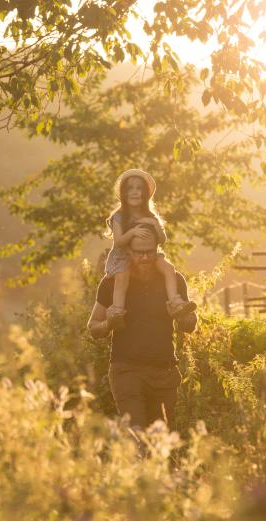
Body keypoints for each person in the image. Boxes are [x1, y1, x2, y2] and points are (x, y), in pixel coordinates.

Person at [87, 228, 198, 431]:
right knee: (137, 436)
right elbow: (94, 328)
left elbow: (189, 325)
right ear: (127, 251)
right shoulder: (112, 282)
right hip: (126, 370)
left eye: (150, 251)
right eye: (138, 252)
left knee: (162, 444)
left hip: (164, 372)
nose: (145, 257)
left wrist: (180, 316)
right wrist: (109, 323)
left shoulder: (173, 279)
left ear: (158, 248)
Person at [104, 168, 196, 324]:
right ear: (124, 193)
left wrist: (155, 224)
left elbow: (162, 240)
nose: (134, 192)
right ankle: (117, 312)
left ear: (145, 193)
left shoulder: (150, 216)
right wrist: (132, 232)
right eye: (130, 188)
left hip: (150, 252)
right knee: (122, 277)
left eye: (139, 188)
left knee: (168, 268)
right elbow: (118, 241)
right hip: (123, 255)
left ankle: (175, 301)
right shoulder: (118, 216)